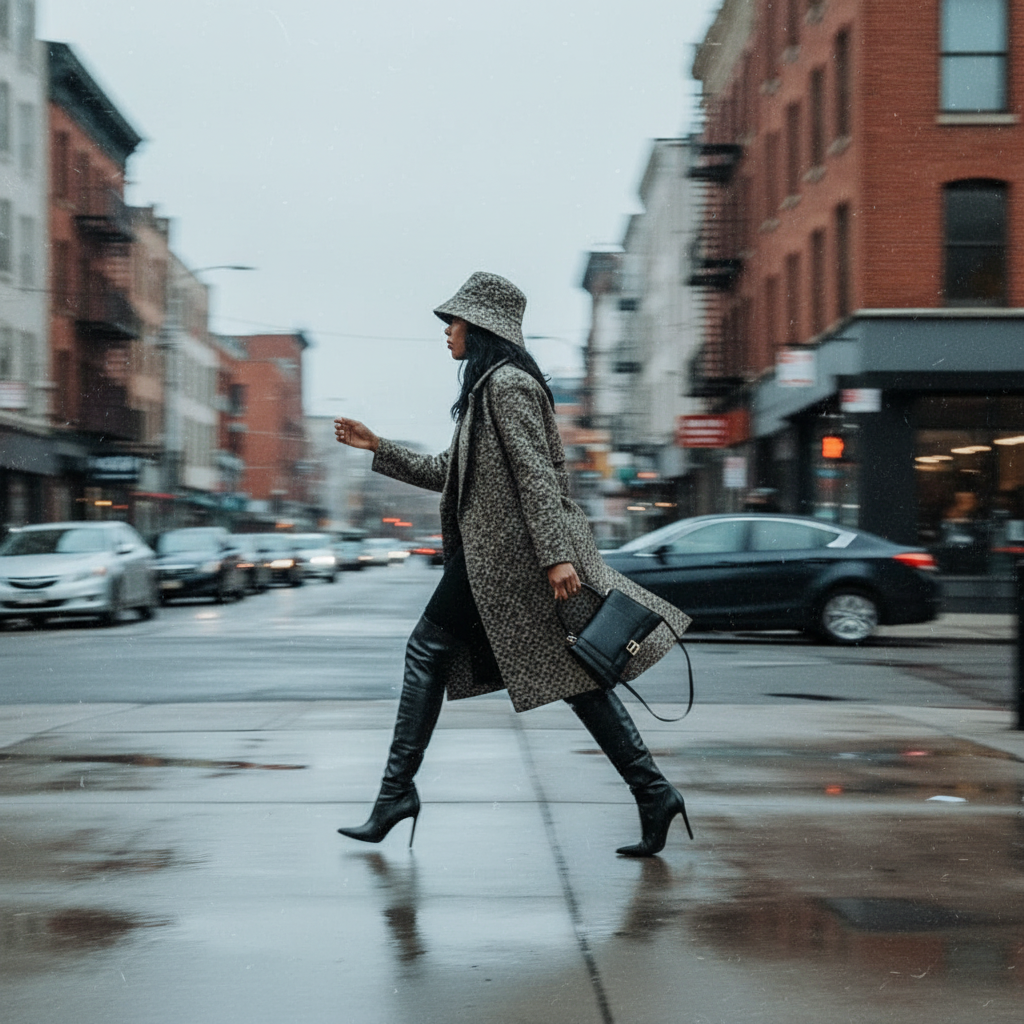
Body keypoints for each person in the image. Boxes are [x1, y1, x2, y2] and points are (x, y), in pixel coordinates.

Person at [334, 272, 693, 856]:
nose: (446, 333)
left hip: (508, 560)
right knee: (579, 678)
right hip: (496, 560)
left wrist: (555, 557)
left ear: (479, 327)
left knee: (426, 652)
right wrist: (379, 447)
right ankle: (654, 793)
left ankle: (395, 795)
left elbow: (537, 476)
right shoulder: (485, 392)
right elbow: (447, 474)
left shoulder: (508, 386)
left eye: (452, 322)